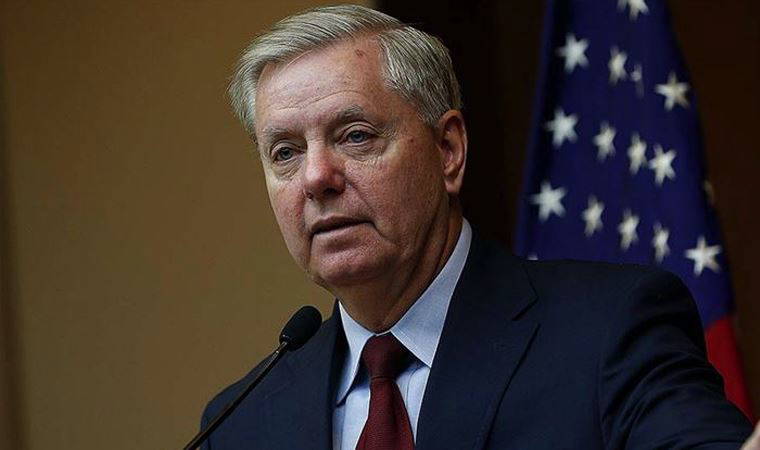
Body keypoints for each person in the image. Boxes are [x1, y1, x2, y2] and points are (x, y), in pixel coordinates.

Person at [200, 5, 757, 449]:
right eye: (285, 152)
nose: (317, 177)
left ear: (448, 150)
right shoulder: (240, 423)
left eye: (356, 136)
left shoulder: (610, 330)